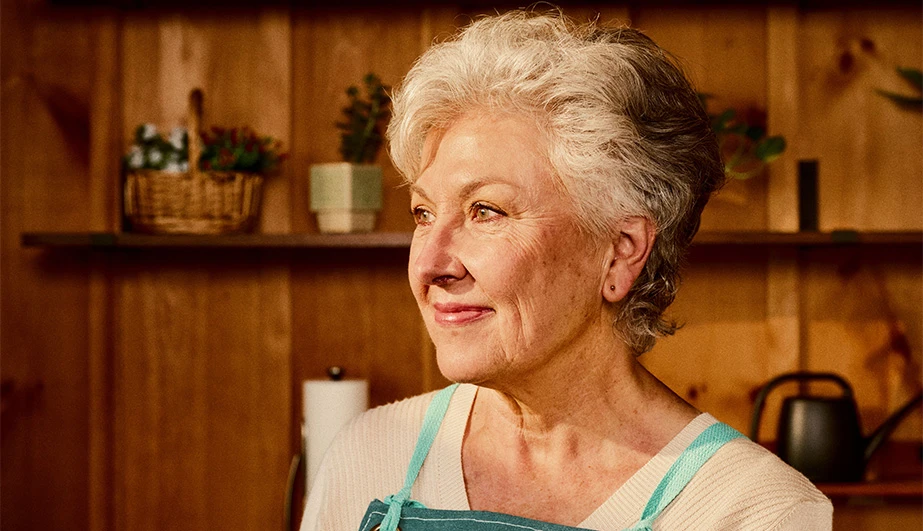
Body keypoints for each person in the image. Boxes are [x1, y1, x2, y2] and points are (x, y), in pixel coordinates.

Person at [301, 9, 832, 531]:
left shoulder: (754, 511)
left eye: (486, 211)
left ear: (621, 251)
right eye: (424, 213)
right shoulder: (369, 454)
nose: (430, 265)